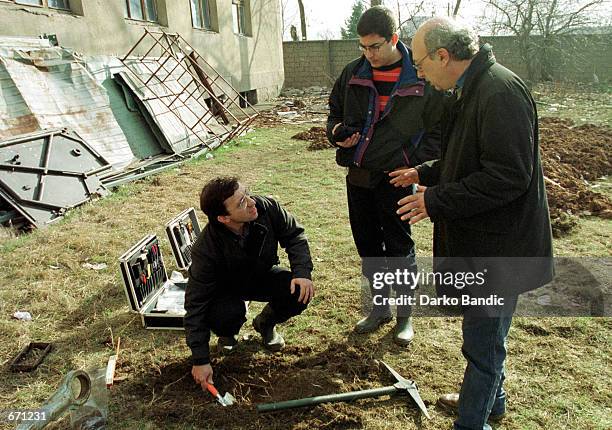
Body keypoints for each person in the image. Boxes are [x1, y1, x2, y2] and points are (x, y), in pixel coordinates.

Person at [389, 17, 554, 430]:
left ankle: (471, 421)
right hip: (485, 243)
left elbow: (508, 176)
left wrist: (436, 200)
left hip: (502, 248)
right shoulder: (471, 88)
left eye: (422, 64)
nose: (420, 74)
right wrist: (425, 173)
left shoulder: (499, 92)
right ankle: (490, 404)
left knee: (483, 345)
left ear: (445, 56)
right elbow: (471, 157)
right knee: (483, 337)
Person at [326, 5, 443, 345]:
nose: (368, 54)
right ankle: (379, 309)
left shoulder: (420, 77)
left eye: (375, 46)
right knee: (369, 247)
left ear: (393, 38)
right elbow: (333, 114)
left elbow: (438, 132)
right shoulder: (352, 74)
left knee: (399, 248)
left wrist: (413, 164)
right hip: (360, 175)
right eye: (362, 47)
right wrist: (337, 132)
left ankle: (405, 317)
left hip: (399, 178)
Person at [184, 177, 314, 390]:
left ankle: (266, 323)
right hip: (226, 288)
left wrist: (302, 272)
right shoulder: (206, 249)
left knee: (297, 291)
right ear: (224, 218)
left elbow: (294, 235)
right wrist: (200, 360)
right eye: (241, 203)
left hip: (262, 274)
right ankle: (227, 334)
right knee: (224, 314)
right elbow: (195, 303)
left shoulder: (265, 207)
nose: (252, 202)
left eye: (247, 194)